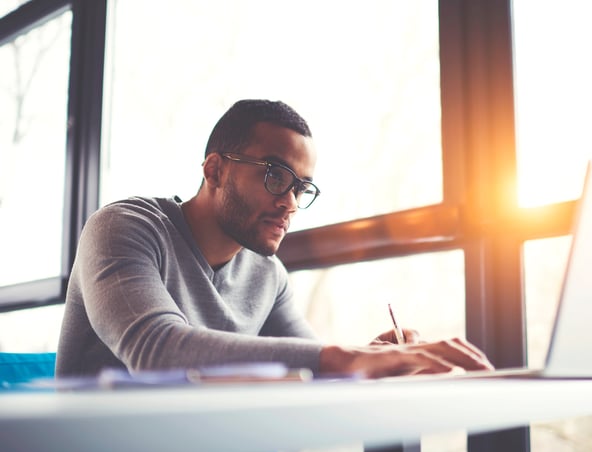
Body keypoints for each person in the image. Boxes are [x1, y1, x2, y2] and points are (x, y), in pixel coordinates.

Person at [55, 99, 493, 379]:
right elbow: (155, 350)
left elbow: (310, 363)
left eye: (301, 187)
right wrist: (341, 358)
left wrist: (372, 360)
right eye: (274, 176)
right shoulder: (124, 228)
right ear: (214, 170)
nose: (291, 203)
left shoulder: (268, 275)